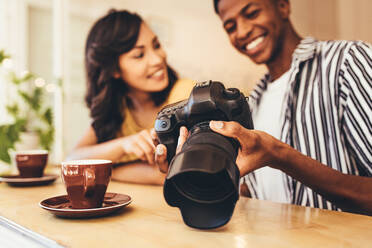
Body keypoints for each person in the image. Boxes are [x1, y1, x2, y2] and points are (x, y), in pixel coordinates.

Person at [154, 0, 372, 215]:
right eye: (230, 27)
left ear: (283, 6)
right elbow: (265, 193)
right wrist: (192, 171)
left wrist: (279, 155)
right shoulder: (252, 102)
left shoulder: (347, 62)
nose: (242, 31)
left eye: (252, 13)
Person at [67, 10, 194, 185]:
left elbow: (175, 172)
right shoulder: (116, 110)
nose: (157, 59)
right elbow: (73, 161)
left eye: (156, 45)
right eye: (139, 55)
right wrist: (123, 144)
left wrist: (109, 170)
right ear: (114, 70)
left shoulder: (185, 94)